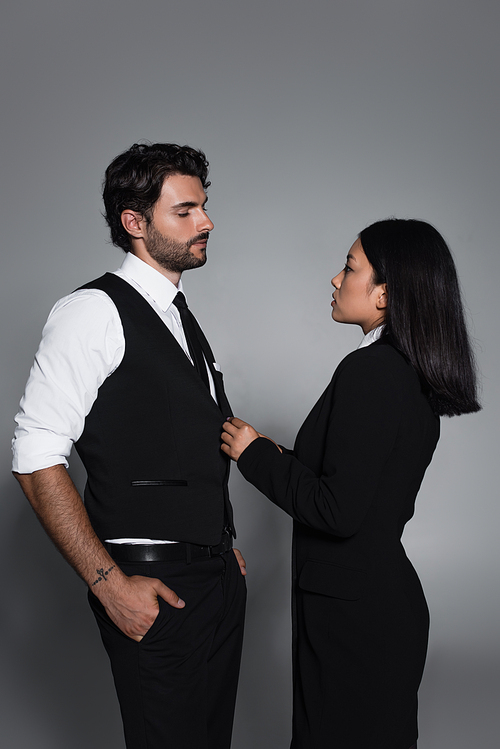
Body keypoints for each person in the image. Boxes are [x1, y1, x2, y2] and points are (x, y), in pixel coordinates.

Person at [12, 142, 247, 749]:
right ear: (135, 223)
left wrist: (220, 546)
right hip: (148, 582)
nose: (207, 222)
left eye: (204, 207)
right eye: (186, 211)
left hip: (213, 579)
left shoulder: (176, 311)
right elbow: (35, 456)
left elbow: (180, 442)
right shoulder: (91, 312)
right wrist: (108, 583)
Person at [221, 218, 481, 749]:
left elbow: (338, 510)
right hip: (369, 608)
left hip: (355, 620)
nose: (335, 280)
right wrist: (269, 452)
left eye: (349, 267)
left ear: (385, 292)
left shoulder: (371, 373)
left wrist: (254, 459)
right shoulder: (402, 372)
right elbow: (350, 481)